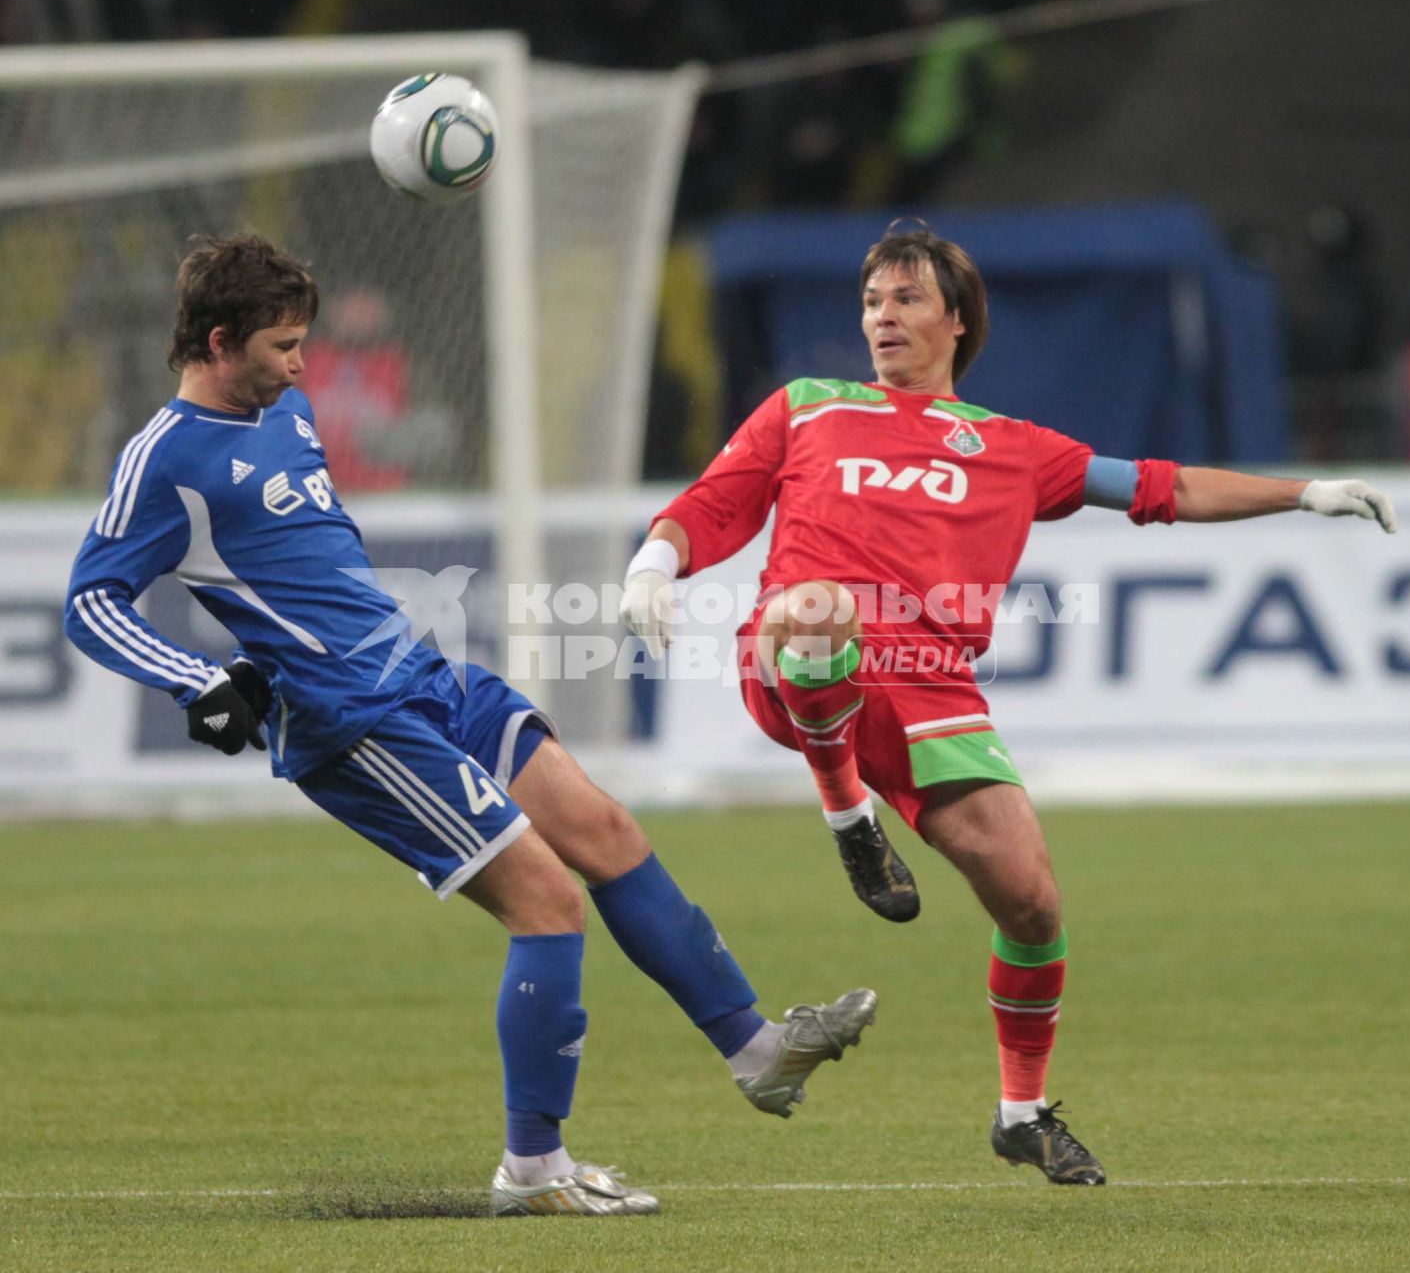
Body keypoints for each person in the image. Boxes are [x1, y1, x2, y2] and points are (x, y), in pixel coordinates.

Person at [64, 233, 877, 1219]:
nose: (300, 362)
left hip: (423, 676)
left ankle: (757, 1052)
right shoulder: (165, 458)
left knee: (605, 831)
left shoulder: (289, 409)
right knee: (547, 901)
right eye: (282, 344)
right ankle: (531, 1169)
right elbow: (91, 601)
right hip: (353, 721)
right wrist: (198, 679)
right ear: (219, 339)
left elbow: (307, 557)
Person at [619, 223, 1397, 1186]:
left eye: (904, 298)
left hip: (934, 690)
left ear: (955, 318)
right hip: (798, 656)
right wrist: (658, 559)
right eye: (871, 301)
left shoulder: (1013, 449)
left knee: (1031, 904)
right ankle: (848, 815)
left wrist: (1306, 492)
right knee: (817, 612)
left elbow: (1165, 486)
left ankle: (1021, 1113)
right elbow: (719, 498)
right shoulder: (809, 407)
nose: (882, 316)